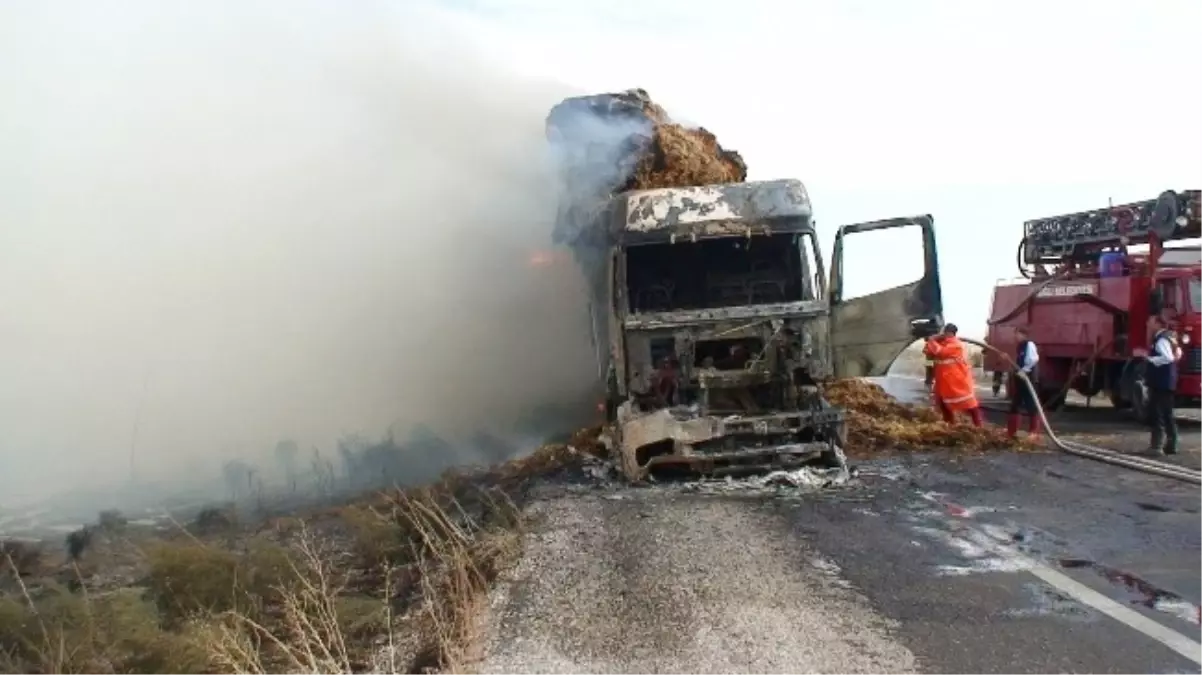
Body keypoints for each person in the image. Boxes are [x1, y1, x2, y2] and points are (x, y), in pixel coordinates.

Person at [923, 323, 984, 427]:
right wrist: (930, 341)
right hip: (944, 380)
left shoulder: (956, 344)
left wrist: (932, 340)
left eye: (945, 333)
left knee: (968, 403)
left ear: (949, 333)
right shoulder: (941, 343)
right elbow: (928, 355)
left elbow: (940, 352)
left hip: (957, 379)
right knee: (944, 403)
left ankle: (978, 425)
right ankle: (949, 424)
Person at [1138, 316, 1182, 455]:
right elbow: (1178, 353)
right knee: (1167, 412)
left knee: (1156, 412)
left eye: (1150, 322)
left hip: (1160, 381)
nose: (1147, 324)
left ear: (1158, 324)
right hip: (1168, 380)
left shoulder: (1161, 339)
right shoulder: (1170, 337)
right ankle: (1172, 444)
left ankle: (1156, 447)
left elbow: (1167, 358)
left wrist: (1148, 358)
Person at [1007, 326, 1042, 441]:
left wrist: (1024, 370)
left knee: (1031, 404)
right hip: (1021, 378)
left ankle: (1034, 432)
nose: (1015, 336)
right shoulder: (1020, 346)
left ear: (1023, 334)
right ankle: (1011, 431)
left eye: (1017, 334)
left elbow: (1033, 359)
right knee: (1015, 403)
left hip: (1029, 378)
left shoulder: (1029, 344)